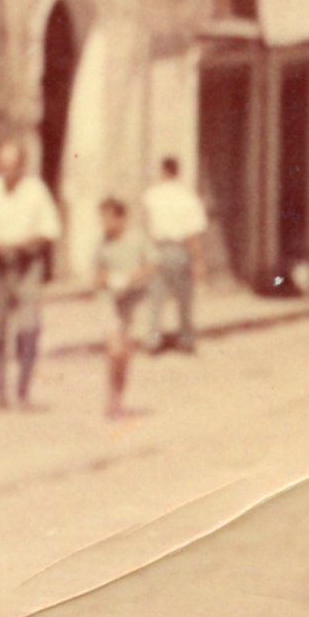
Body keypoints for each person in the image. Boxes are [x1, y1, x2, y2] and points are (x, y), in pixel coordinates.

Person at [0, 139, 62, 410]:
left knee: (29, 329)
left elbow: (51, 229)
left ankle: (23, 392)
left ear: (22, 167)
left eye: (12, 167)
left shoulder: (36, 190)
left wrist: (25, 244)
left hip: (27, 263)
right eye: (1, 167)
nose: (6, 172)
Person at [92, 197, 154, 420]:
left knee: (125, 355)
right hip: (111, 301)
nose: (104, 223)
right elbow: (97, 275)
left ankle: (118, 399)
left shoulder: (138, 239)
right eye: (102, 219)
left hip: (135, 301)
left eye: (108, 218)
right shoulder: (102, 245)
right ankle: (110, 399)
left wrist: (130, 277)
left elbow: (153, 265)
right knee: (114, 351)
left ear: (120, 218)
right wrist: (108, 280)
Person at [141, 156, 208, 353]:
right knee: (184, 299)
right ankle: (186, 340)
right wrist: (198, 261)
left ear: (163, 171)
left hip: (158, 248)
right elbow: (193, 233)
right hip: (180, 250)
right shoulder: (188, 197)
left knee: (156, 299)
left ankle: (153, 341)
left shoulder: (151, 195)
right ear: (178, 172)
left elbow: (145, 223)